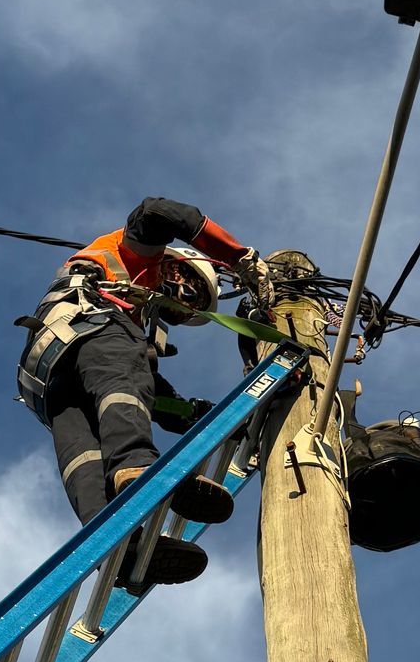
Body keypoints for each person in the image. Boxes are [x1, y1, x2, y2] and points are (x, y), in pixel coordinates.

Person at [17, 197, 266, 583]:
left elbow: (148, 398)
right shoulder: (138, 255)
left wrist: (208, 418)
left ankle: (120, 550)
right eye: (191, 296)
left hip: (49, 373)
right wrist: (238, 258)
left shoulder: (127, 339)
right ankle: (137, 467)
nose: (184, 311)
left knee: (88, 457)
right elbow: (156, 210)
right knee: (127, 374)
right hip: (91, 323)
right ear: (178, 267)